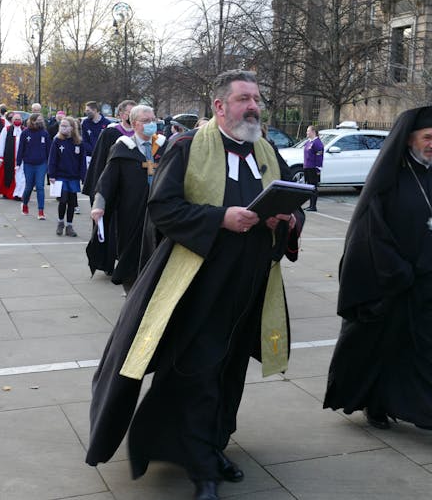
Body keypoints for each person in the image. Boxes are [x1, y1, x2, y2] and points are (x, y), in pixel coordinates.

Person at [86, 70, 304, 500]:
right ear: (220, 106)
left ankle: (214, 445)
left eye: (257, 98)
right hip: (199, 286)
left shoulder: (267, 151)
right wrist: (219, 218)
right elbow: (162, 209)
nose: (253, 106)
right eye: (243, 98)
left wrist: (289, 220)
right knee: (199, 372)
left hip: (251, 286)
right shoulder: (186, 148)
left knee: (230, 374)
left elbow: (289, 202)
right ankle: (202, 468)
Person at [324, 105, 432, 448]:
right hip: (396, 283)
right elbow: (370, 230)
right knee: (384, 346)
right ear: (410, 139)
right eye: (427, 137)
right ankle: (377, 401)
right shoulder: (390, 178)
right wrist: (396, 271)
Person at [89, 104, 163, 293]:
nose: (151, 124)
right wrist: (99, 205)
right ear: (135, 123)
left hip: (159, 212)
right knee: (131, 254)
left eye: (153, 120)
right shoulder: (123, 148)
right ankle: (132, 290)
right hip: (131, 213)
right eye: (146, 121)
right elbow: (107, 180)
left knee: (158, 253)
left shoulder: (164, 146)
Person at [83, 99, 137, 278]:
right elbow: (100, 163)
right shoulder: (111, 134)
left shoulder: (141, 135)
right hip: (112, 188)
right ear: (122, 114)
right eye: (130, 112)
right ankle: (108, 263)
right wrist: (99, 191)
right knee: (109, 227)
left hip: (131, 191)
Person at [48, 116, 86, 237]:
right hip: (60, 175)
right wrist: (51, 175)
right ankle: (60, 223)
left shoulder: (79, 142)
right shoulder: (57, 141)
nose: (63, 128)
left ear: (72, 128)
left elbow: (82, 161)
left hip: (73, 176)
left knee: (72, 202)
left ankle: (69, 225)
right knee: (63, 200)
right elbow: (52, 159)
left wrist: (83, 176)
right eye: (61, 126)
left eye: (65, 126)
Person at [17, 113, 51, 219]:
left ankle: (41, 211)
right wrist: (18, 163)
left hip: (41, 164)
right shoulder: (25, 133)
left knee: (40, 186)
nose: (39, 122)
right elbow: (20, 149)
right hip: (28, 163)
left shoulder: (44, 133)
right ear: (32, 121)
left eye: (41, 120)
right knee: (29, 187)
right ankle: (25, 203)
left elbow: (49, 150)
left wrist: (49, 164)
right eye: (37, 120)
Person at [0, 112, 25, 199]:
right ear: (12, 120)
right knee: (7, 175)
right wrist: (0, 157)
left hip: (21, 158)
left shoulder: (24, 130)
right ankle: (7, 192)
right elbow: (1, 143)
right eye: (15, 119)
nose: (17, 121)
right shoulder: (6, 129)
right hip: (9, 156)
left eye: (19, 119)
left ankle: (19, 193)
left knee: (21, 177)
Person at [303, 125, 323, 211]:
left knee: (313, 187)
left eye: (308, 131)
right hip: (307, 167)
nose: (307, 132)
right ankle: (310, 205)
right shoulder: (308, 142)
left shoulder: (317, 143)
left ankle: (313, 206)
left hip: (313, 168)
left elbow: (319, 156)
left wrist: (318, 168)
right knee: (309, 187)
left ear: (313, 132)